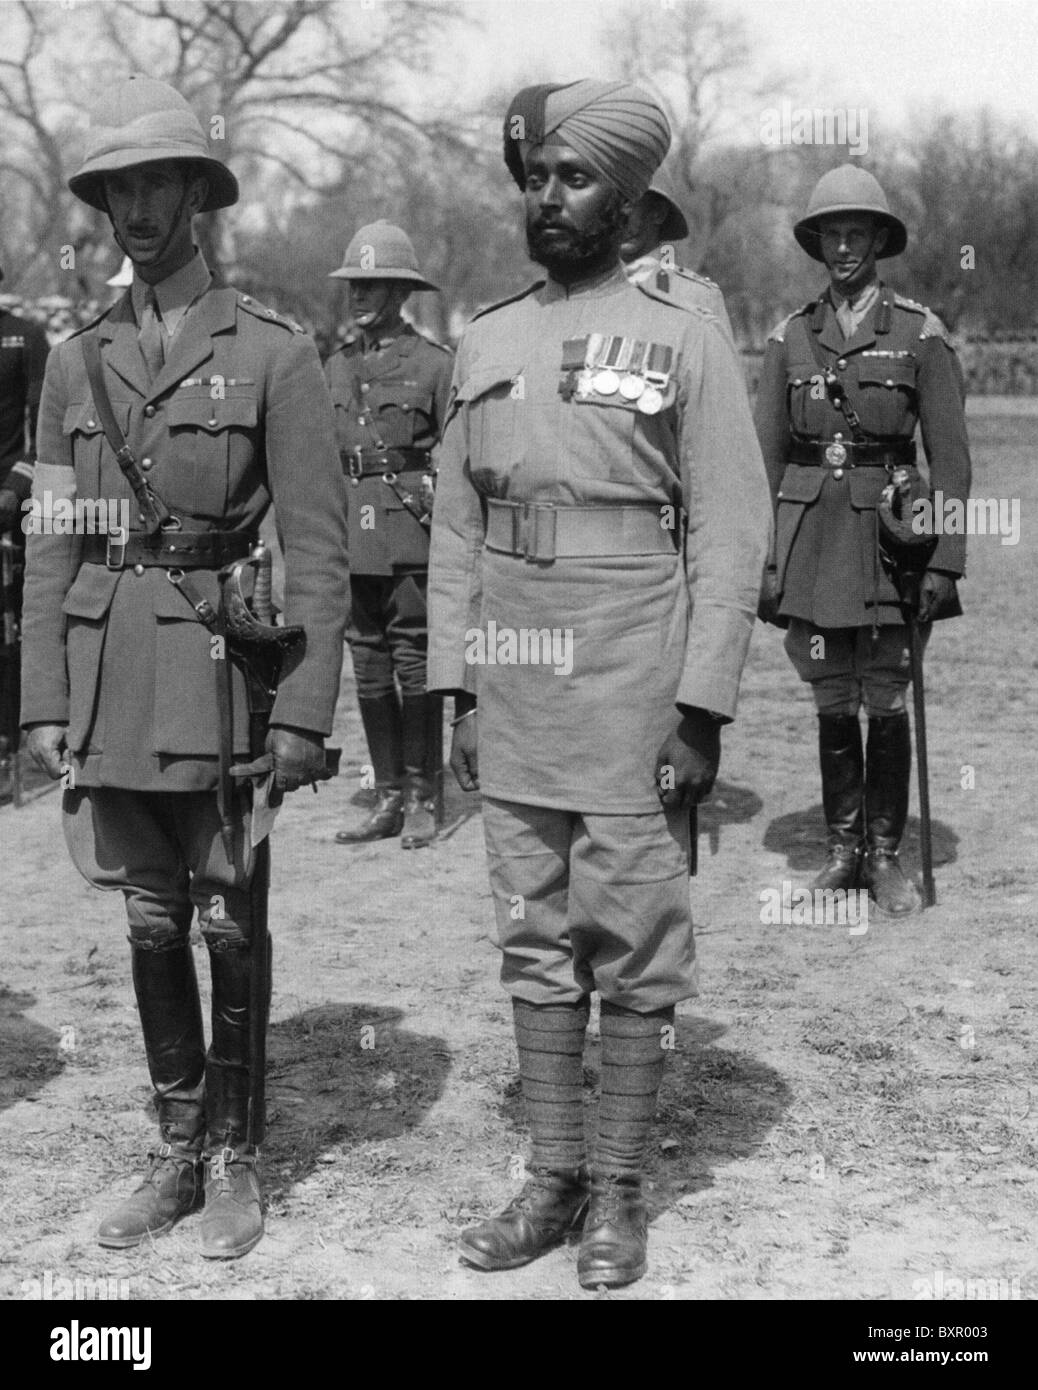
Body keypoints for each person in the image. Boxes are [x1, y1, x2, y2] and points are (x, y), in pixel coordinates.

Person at [428, 79, 771, 1290]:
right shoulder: (485, 337)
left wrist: (700, 707)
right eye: (537, 178)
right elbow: (456, 534)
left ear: (627, 204)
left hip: (633, 670)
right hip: (514, 681)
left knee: (630, 938)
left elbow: (731, 529)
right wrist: (454, 687)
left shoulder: (684, 332)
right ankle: (553, 1176)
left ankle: (621, 1191)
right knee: (532, 932)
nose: (549, 199)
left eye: (574, 180)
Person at [20, 75, 349, 1257]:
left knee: (228, 916)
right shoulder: (74, 361)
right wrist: (43, 700)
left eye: (160, 182)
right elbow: (52, 539)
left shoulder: (273, 352)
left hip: (223, 679)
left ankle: (238, 1162)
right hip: (111, 671)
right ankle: (175, 1148)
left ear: (199, 198)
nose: (138, 207)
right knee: (151, 917)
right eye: (120, 189)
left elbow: (316, 545)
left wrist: (305, 708)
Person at [754, 164, 971, 916]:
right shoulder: (790, 337)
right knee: (830, 694)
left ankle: (884, 855)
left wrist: (945, 558)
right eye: (830, 235)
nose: (843, 247)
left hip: (891, 543)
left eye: (857, 232)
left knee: (885, 691)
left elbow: (952, 456)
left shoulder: (919, 334)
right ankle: (842, 852)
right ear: (817, 244)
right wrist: (765, 557)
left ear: (880, 239)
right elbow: (764, 460)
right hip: (811, 541)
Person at [325, 222, 452, 849]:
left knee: (415, 663)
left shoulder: (434, 366)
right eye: (353, 284)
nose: (359, 295)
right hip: (354, 536)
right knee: (368, 666)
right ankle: (388, 795)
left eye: (372, 284)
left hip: (411, 537)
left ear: (401, 291)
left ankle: (426, 794)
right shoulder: (334, 368)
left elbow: (456, 462)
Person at [0, 266, 50, 763]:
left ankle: (7, 733)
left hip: (8, 503)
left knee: (12, 622)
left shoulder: (26, 336)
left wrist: (17, 485)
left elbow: (44, 436)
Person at [620, 157, 736, 346]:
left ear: (658, 213)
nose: (620, 216)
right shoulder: (584, 293)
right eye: (611, 205)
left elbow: (718, 373)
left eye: (630, 203)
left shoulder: (697, 298)